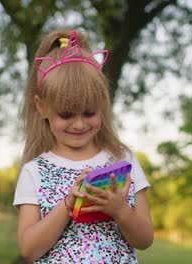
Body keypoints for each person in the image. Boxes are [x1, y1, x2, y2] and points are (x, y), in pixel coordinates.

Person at [13, 29, 154, 263]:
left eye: (89, 112)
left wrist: (120, 210)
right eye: (66, 114)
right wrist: (68, 205)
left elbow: (145, 239)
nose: (79, 124)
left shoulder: (123, 160)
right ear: (41, 106)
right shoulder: (34, 171)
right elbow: (29, 250)